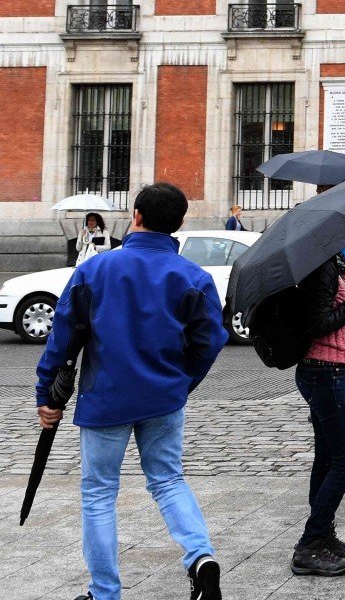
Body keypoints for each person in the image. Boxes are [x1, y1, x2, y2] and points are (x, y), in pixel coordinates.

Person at [36, 182, 228, 600]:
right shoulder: (193, 276)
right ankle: (201, 557)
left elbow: (61, 338)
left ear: (136, 216)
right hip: (163, 396)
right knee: (168, 480)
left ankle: (104, 592)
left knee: (99, 493)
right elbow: (211, 340)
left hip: (106, 397)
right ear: (178, 223)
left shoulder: (95, 269)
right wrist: (182, 382)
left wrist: (46, 395)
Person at [292, 249, 345, 576]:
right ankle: (310, 544)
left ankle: (323, 535)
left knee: (327, 459)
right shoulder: (319, 268)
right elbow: (317, 323)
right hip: (323, 372)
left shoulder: (335, 263)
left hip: (331, 370)